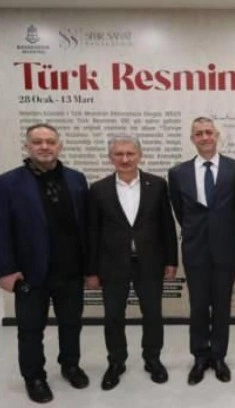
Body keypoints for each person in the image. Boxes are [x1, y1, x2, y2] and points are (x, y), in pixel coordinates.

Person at [0, 123, 89, 403]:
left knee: (71, 323)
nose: (44, 146)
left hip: (71, 269)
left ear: (59, 146)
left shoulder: (77, 179)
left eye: (50, 141)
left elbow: (85, 226)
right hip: (30, 272)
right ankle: (34, 377)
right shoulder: (7, 183)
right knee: (31, 329)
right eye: (37, 142)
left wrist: (90, 266)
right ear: (27, 146)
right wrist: (5, 270)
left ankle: (70, 365)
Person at [86, 136, 178, 390]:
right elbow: (92, 231)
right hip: (111, 264)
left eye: (130, 153)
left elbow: (167, 225)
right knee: (113, 316)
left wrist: (171, 260)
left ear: (140, 155)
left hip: (150, 262)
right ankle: (116, 362)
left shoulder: (157, 185)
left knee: (153, 314)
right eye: (119, 154)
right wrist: (91, 270)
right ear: (110, 158)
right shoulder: (98, 189)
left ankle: (153, 359)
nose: (125, 159)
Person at [168, 117, 235, 385]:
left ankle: (219, 356)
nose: (204, 137)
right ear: (192, 139)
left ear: (217, 135)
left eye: (209, 132)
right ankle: (200, 357)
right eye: (199, 133)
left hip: (227, 247)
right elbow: (181, 211)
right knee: (199, 306)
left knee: (222, 305)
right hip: (195, 248)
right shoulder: (178, 173)